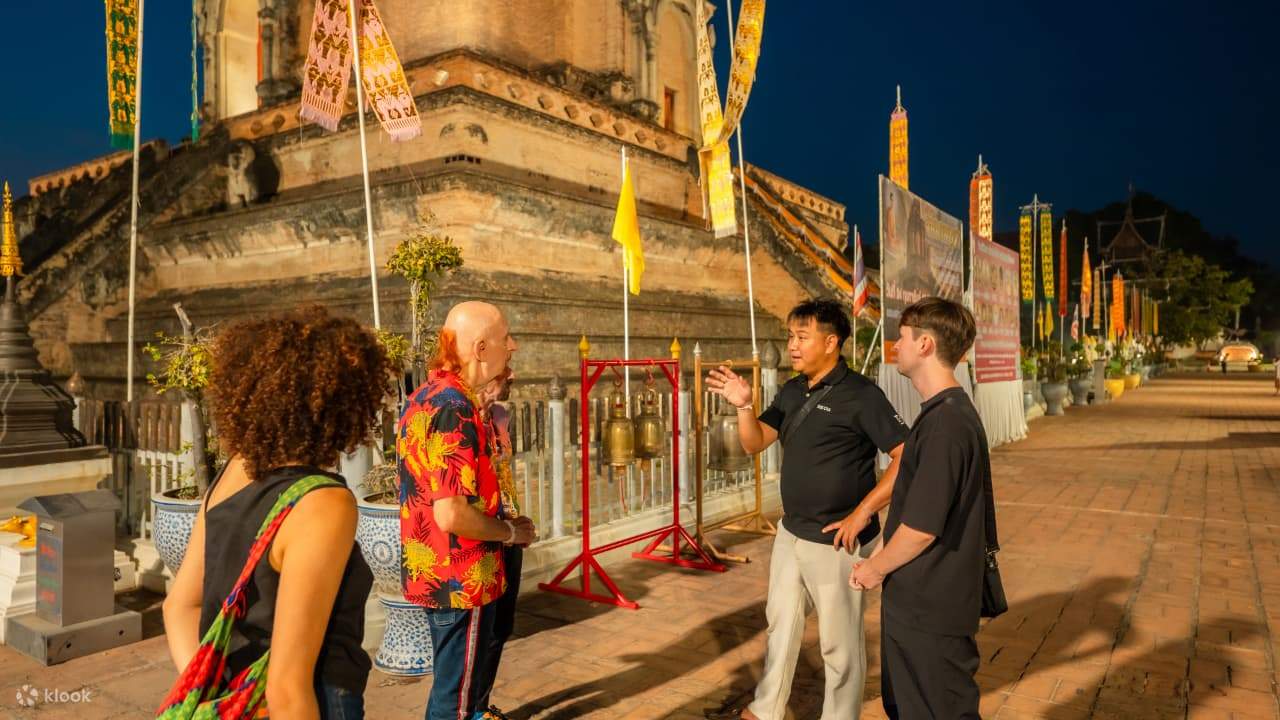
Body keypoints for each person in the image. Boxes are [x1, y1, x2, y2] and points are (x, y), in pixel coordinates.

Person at [162, 306, 388, 719]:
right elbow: (287, 687)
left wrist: (216, 697)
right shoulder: (322, 503)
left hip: (235, 697)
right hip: (316, 702)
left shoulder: (234, 471)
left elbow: (180, 606)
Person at [705, 298, 907, 720]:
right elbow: (754, 441)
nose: (792, 346)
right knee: (781, 624)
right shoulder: (793, 390)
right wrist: (743, 404)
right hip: (792, 533)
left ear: (831, 342)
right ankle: (767, 709)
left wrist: (863, 512)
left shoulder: (862, 395)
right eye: (790, 336)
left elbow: (905, 456)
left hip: (837, 541)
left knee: (840, 644)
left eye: (802, 337)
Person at [850, 297, 989, 720]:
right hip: (925, 597)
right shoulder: (943, 414)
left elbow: (923, 527)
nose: (895, 345)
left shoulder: (947, 424)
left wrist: (876, 568)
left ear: (925, 345)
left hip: (932, 604)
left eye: (903, 337)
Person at [398, 301, 536, 720]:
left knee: (454, 689)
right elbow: (452, 514)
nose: (511, 347)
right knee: (454, 701)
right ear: (479, 348)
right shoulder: (454, 408)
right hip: (462, 575)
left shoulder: (428, 395)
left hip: (439, 571)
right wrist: (510, 534)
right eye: (504, 338)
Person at [472, 368, 524, 720]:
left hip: (508, 526)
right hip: (479, 532)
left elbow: (503, 471)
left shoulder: (501, 416)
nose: (512, 377)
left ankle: (481, 704)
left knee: (501, 626)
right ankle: (471, 708)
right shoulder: (458, 416)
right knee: (478, 630)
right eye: (506, 371)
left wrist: (516, 525)